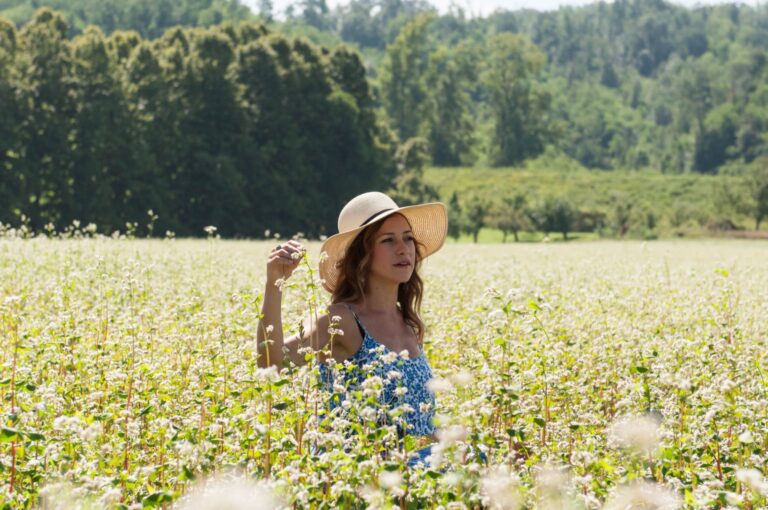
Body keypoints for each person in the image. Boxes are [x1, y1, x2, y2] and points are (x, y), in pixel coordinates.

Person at [257, 191, 448, 467]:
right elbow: (271, 364)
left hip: (410, 477)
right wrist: (274, 283)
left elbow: (421, 422)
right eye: (387, 240)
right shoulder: (341, 320)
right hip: (356, 473)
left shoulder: (407, 323)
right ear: (362, 255)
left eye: (407, 237)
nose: (403, 248)